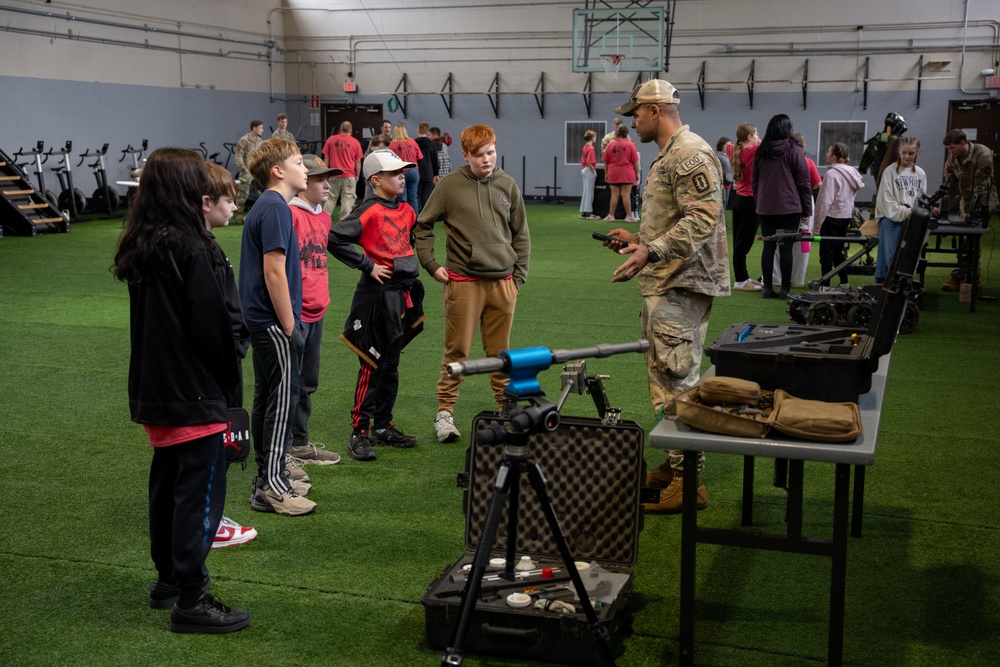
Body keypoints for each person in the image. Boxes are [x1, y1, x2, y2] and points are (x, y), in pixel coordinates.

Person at [112, 147, 251, 633]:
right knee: (199, 491)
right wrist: (230, 372)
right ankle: (191, 598)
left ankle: (169, 581)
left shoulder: (144, 242)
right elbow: (213, 328)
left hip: (158, 391)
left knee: (168, 486)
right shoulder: (193, 247)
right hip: (193, 392)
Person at [603, 79, 730, 514]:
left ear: (655, 111)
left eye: (635, 113)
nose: (631, 121)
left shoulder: (688, 153)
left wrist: (650, 250)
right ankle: (678, 468)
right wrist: (638, 237)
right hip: (669, 280)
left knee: (678, 378)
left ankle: (689, 480)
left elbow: (703, 220)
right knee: (666, 374)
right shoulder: (670, 153)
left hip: (681, 282)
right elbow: (676, 218)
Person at [414, 124, 530, 443]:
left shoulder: (508, 184)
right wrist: (431, 264)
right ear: (465, 155)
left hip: (503, 284)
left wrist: (517, 279)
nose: (486, 160)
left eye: (490, 152)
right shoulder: (449, 187)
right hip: (463, 283)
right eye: (479, 155)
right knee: (457, 352)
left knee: (501, 353)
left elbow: (521, 234)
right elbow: (422, 226)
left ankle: (506, 412)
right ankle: (445, 414)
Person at [238, 137, 317, 517]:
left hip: (262, 321)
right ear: (278, 170)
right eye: (300, 162)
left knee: (268, 399)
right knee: (282, 403)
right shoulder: (275, 208)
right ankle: (274, 486)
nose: (306, 169)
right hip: (273, 322)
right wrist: (291, 326)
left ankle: (265, 481)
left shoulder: (268, 206)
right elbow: (274, 270)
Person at [329, 149, 425, 461]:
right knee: (371, 364)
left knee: (391, 365)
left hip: (401, 294)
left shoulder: (408, 210)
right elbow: (334, 238)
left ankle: (383, 426)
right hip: (376, 297)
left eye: (403, 172)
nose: (403, 176)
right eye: (395, 173)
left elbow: (405, 244)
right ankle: (359, 432)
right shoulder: (368, 211)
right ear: (375, 180)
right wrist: (366, 264)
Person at [202, 162, 257, 551]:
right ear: (206, 202)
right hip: (208, 377)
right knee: (205, 451)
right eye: (228, 201)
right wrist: (235, 347)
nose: (234, 209)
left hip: (214, 370)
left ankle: (208, 516)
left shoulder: (206, 246)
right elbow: (211, 320)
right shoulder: (196, 251)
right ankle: (208, 522)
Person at [287, 155, 344, 468]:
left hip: (317, 310)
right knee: (289, 384)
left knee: (308, 381)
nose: (327, 185)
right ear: (302, 181)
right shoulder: (290, 215)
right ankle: (280, 451)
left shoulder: (324, 217)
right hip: (294, 314)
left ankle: (299, 443)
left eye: (328, 179)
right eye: (320, 179)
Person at [752, 114, 812, 299]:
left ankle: (768, 288)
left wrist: (759, 200)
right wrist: (807, 209)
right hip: (789, 207)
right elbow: (803, 182)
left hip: (766, 207)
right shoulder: (794, 150)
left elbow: (755, 181)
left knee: (768, 247)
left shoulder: (761, 151)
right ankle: (785, 289)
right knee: (786, 249)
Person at [935, 129, 999, 291]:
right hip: (966, 203)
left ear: (963, 143)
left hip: (983, 203)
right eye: (948, 148)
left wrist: (971, 212)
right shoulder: (953, 158)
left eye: (952, 147)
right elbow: (949, 185)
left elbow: (982, 187)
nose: (950, 151)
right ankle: (964, 276)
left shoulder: (982, 154)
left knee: (972, 239)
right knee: (966, 239)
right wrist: (942, 208)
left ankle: (969, 277)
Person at [770, 132, 822, 288]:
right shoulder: (808, 162)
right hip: (804, 203)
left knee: (779, 241)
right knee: (803, 242)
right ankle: (797, 279)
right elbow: (817, 184)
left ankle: (776, 278)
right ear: (803, 146)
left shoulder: (780, 161)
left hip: (783, 202)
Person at [874, 136, 926, 284]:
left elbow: (921, 198)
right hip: (890, 220)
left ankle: (901, 292)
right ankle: (881, 292)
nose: (907, 156)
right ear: (898, 151)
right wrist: (905, 212)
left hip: (911, 220)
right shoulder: (889, 172)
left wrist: (919, 211)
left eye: (911, 153)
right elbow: (886, 201)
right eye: (904, 153)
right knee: (888, 260)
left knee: (907, 260)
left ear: (917, 153)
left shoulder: (920, 173)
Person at [814, 143, 863, 291]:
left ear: (834, 157)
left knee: (826, 253)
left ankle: (825, 286)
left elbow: (825, 201)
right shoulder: (853, 173)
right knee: (838, 252)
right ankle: (844, 284)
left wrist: (817, 225)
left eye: (828, 152)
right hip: (845, 217)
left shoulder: (831, 174)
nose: (826, 154)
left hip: (831, 217)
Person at [727, 123, 762, 291]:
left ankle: (743, 277)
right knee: (743, 244)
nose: (758, 137)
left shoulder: (733, 150)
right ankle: (740, 280)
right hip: (750, 201)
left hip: (739, 200)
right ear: (749, 137)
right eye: (756, 134)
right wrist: (759, 141)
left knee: (739, 242)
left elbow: (730, 146)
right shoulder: (752, 151)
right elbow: (765, 144)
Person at [321, 121, 365, 221]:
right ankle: (344, 225)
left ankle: (323, 221)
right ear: (351, 130)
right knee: (348, 201)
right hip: (349, 175)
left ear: (340, 129)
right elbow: (358, 161)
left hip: (334, 174)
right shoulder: (355, 142)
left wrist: (325, 173)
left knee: (330, 200)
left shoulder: (331, 140)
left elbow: (326, 158)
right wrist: (357, 175)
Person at [602, 125, 640, 222]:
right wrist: (637, 173)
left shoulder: (610, 144)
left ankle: (611, 215)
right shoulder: (631, 145)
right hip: (627, 172)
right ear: (626, 134)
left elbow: (606, 161)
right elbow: (635, 161)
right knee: (626, 195)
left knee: (614, 195)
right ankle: (629, 216)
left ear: (617, 133)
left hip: (613, 172)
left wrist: (606, 173)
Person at [389, 123, 424, 211]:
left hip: (401, 172)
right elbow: (420, 157)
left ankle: (404, 219)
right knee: (413, 197)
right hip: (414, 171)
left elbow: (390, 160)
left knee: (402, 198)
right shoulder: (412, 142)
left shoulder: (393, 144)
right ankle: (415, 219)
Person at [234, 120, 264, 214]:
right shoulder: (244, 140)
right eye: (260, 128)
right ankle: (239, 212)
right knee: (244, 193)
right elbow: (238, 156)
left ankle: (261, 211)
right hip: (246, 171)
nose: (262, 130)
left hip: (257, 170)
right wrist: (244, 168)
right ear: (254, 128)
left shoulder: (260, 141)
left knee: (262, 191)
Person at [415, 121, 440, 211]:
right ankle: (426, 215)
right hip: (428, 172)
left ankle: (417, 215)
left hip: (417, 172)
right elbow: (435, 160)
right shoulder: (431, 144)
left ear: (418, 130)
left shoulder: (414, 143)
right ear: (427, 131)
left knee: (416, 195)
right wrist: (436, 174)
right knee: (426, 195)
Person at [580, 130, 600, 220]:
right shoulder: (591, 148)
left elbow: (583, 160)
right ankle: (588, 212)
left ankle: (584, 211)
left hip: (584, 169)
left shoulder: (585, 147)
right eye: (595, 137)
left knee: (585, 191)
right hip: (589, 170)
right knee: (589, 192)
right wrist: (593, 172)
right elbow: (589, 162)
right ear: (592, 138)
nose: (596, 138)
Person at [363, 133, 389, 200]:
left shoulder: (367, 154)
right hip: (381, 180)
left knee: (368, 201)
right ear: (381, 143)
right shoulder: (383, 153)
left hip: (369, 180)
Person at [715, 137, 734, 209]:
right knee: (721, 201)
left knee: (726, 201)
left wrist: (734, 182)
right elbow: (717, 169)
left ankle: (723, 218)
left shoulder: (730, 156)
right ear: (722, 145)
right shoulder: (718, 155)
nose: (729, 147)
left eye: (730, 145)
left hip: (729, 181)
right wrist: (720, 182)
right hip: (722, 181)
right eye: (727, 145)